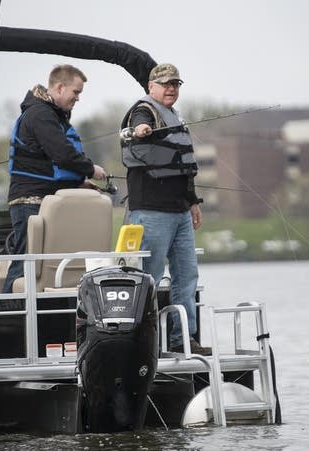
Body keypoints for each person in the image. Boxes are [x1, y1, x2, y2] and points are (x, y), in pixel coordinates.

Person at [121, 63, 209, 355]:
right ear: (151, 87)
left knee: (187, 276)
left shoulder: (176, 117)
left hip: (181, 212)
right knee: (149, 277)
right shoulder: (143, 111)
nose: (171, 88)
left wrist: (193, 202)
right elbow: (136, 128)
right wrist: (141, 130)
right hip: (151, 212)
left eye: (176, 84)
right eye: (166, 84)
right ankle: (143, 341)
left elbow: (183, 167)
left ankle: (183, 339)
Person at [2, 64, 107, 293]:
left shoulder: (52, 115)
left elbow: (50, 165)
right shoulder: (40, 114)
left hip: (45, 199)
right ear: (60, 87)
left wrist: (79, 183)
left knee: (43, 266)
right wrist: (91, 169)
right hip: (29, 202)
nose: (77, 99)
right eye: (76, 92)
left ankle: (41, 322)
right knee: (24, 263)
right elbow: (61, 153)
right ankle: (4, 316)